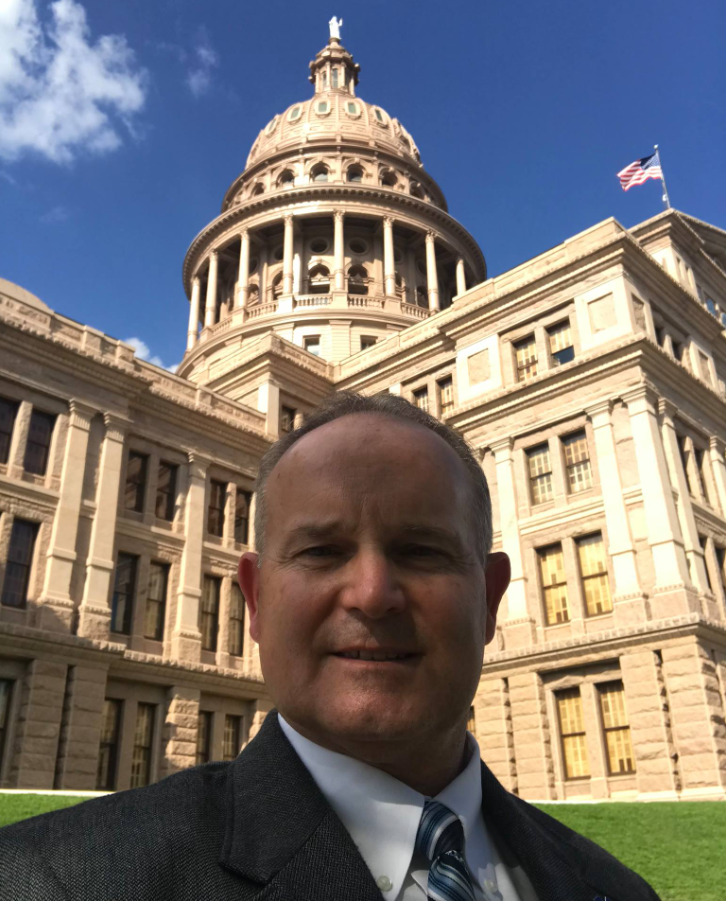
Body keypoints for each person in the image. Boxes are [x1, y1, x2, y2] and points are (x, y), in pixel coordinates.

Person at [0, 391, 661, 901]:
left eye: (421, 550)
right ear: (255, 599)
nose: (373, 594)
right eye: (321, 551)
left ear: (488, 598)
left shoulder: (614, 888)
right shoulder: (53, 880)